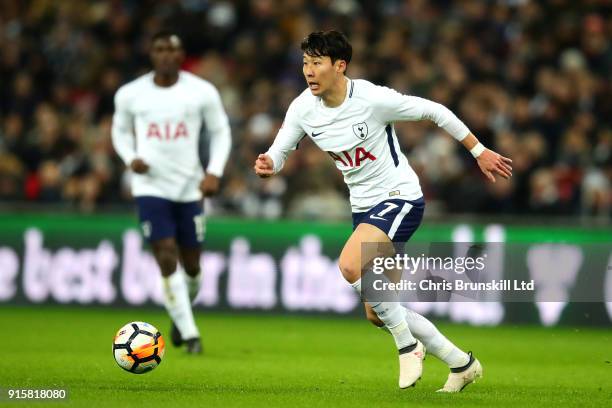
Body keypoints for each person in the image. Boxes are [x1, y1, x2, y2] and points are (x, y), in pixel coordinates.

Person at [254, 30, 512, 391]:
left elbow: (434, 111)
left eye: (316, 63)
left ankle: (407, 346)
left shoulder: (372, 99)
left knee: (348, 265)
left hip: (400, 198)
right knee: (378, 312)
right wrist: (270, 162)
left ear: (339, 65)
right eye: (305, 63)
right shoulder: (302, 108)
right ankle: (461, 363)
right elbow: (281, 149)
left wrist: (478, 151)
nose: (308, 71)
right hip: (364, 209)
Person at [112, 31, 231, 354]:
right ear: (152, 54)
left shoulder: (201, 92)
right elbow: (120, 131)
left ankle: (180, 316)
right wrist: (129, 158)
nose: (165, 55)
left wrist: (214, 172)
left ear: (180, 56)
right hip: (150, 186)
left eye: (171, 50)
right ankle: (191, 335)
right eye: (159, 49)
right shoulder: (131, 94)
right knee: (165, 253)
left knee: (191, 265)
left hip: (189, 187)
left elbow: (221, 131)